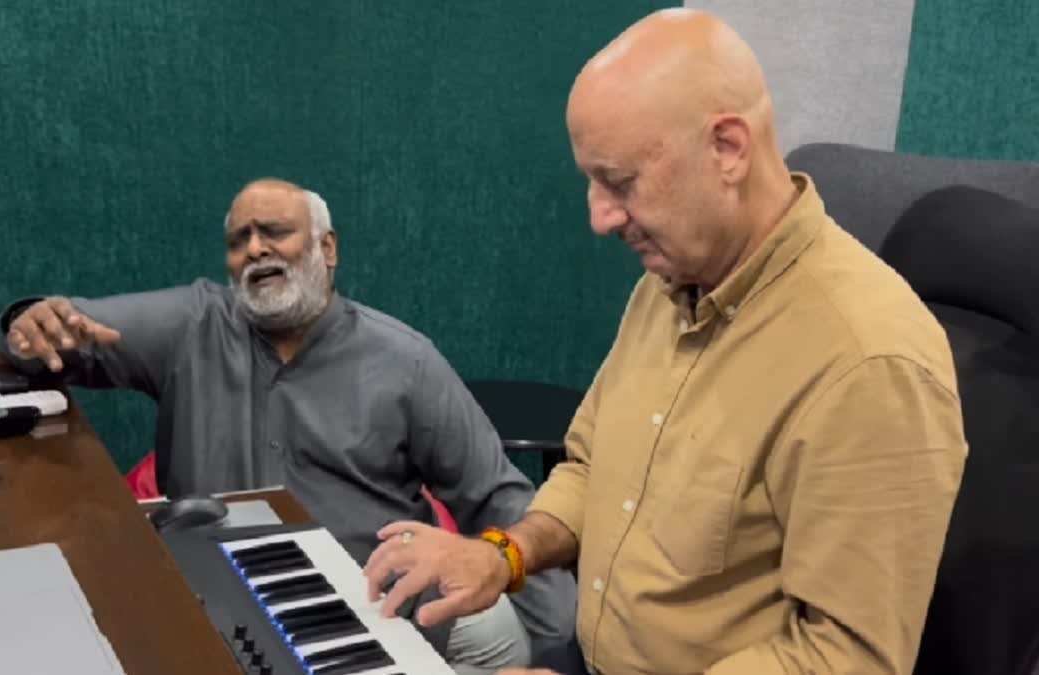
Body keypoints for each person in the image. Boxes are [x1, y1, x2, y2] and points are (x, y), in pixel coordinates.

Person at [362, 9, 968, 675]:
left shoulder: (868, 360)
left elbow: (845, 658)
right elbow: (591, 467)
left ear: (728, 149)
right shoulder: (673, 277)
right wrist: (503, 554)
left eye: (619, 182)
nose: (598, 217)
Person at [0, 177, 577, 674]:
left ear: (327, 248)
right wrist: (29, 325)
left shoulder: (406, 361)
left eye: (274, 231)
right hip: (212, 610)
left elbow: (498, 498)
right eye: (238, 240)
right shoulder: (190, 325)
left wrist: (556, 653)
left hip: (369, 621)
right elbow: (64, 335)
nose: (255, 249)